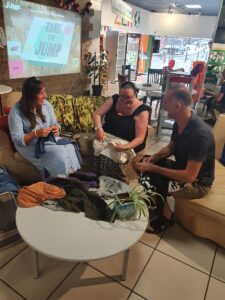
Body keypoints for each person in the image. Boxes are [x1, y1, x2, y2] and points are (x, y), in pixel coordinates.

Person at [133, 84, 215, 233]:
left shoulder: (199, 135)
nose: (162, 106)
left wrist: (153, 168)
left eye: (165, 102)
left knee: (153, 176)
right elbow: (171, 147)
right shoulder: (181, 123)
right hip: (182, 169)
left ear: (177, 106)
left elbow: (189, 176)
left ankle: (166, 217)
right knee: (139, 161)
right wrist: (154, 158)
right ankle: (156, 202)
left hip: (197, 184)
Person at [8, 77, 81, 178]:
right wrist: (36, 134)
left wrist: (56, 128)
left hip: (46, 140)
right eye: (41, 93)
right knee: (59, 152)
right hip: (28, 145)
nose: (45, 96)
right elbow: (17, 140)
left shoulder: (46, 105)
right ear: (31, 96)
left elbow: (55, 123)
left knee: (69, 146)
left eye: (44, 92)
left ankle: (71, 177)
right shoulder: (16, 112)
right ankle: (58, 182)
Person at [92, 81, 150, 182]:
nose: (124, 101)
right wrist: (98, 128)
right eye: (122, 97)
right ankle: (104, 181)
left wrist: (124, 147)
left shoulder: (142, 111)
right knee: (99, 153)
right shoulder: (114, 99)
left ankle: (119, 180)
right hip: (108, 137)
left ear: (136, 94)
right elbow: (96, 114)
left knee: (104, 156)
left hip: (128, 143)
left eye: (128, 98)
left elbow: (140, 138)